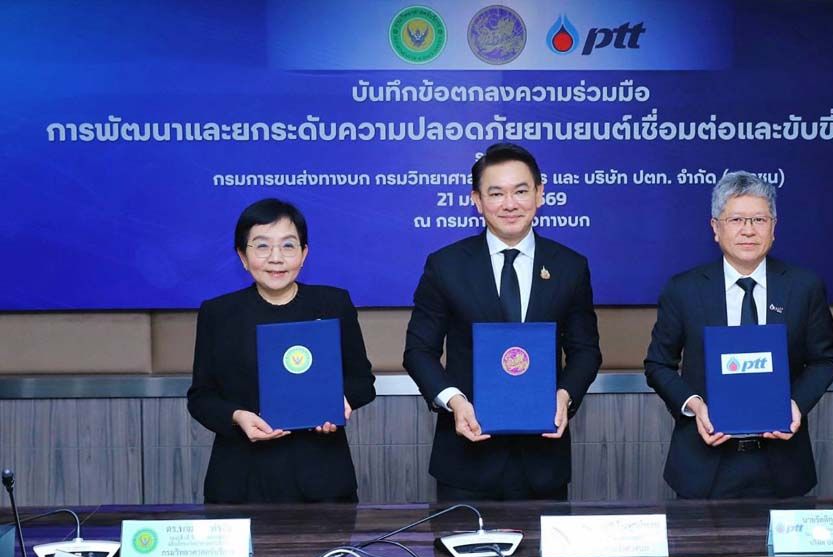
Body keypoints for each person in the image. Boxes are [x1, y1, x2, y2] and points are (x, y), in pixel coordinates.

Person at [404, 143, 602, 501]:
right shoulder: (445, 266)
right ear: (477, 201)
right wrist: (455, 402)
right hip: (466, 460)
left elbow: (585, 351)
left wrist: (565, 395)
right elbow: (418, 351)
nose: (509, 204)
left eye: (521, 191)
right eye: (496, 193)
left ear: (540, 194)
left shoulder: (570, 267)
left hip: (543, 461)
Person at [644, 171, 833, 499]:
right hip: (703, 464)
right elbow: (657, 365)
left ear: (774, 227)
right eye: (736, 219)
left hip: (783, 464)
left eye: (759, 220)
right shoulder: (684, 289)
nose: (748, 230)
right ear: (715, 227)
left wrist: (795, 405)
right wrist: (695, 406)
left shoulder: (804, 287)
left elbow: (825, 360)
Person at [188, 198, 375, 503]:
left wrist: (337, 401)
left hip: (322, 479)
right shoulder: (218, 313)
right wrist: (237, 416)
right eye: (262, 246)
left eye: (288, 246)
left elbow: (363, 383)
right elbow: (201, 397)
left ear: (304, 254)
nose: (276, 258)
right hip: (241, 479)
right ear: (242, 256)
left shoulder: (333, 304)